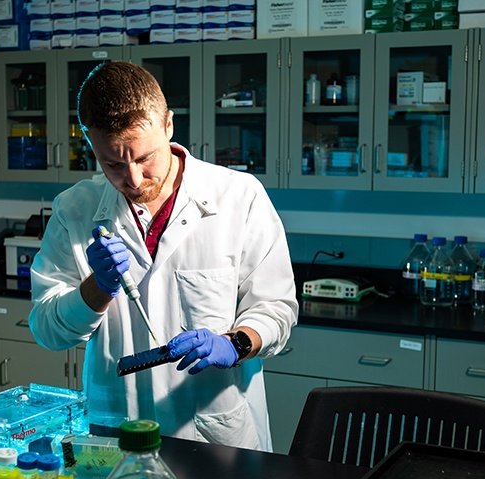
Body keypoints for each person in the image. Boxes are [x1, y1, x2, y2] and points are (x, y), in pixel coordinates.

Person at [28, 62, 298, 452]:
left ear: (168, 125)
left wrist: (236, 344)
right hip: (117, 433)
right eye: (113, 164)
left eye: (144, 158)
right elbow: (48, 330)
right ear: (90, 144)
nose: (133, 179)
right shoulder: (74, 210)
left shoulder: (239, 197)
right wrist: (96, 289)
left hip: (214, 432)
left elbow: (277, 309)